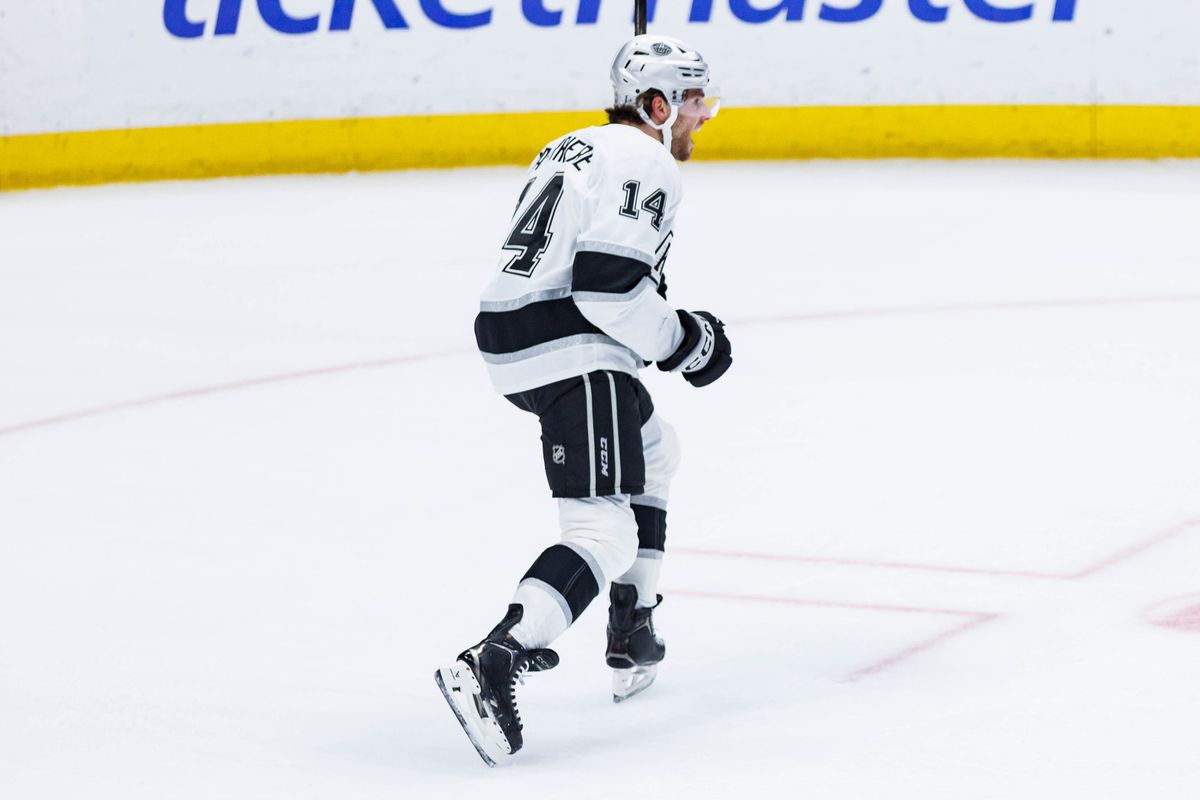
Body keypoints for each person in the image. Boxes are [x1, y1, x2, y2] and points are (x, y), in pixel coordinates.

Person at [435, 33, 732, 767]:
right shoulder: (649, 160)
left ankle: (633, 625)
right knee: (603, 532)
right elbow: (606, 282)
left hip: (515, 333)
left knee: (657, 448)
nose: (702, 118)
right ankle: (495, 656)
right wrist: (684, 341)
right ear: (657, 105)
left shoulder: (573, 146)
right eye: (694, 103)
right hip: (573, 345)